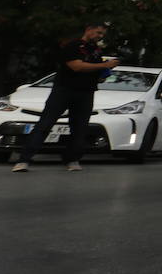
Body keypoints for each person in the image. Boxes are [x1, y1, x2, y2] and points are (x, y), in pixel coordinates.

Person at [11, 23, 118, 172]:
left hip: (86, 92)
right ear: (89, 30)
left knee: (79, 128)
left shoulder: (96, 51)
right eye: (98, 33)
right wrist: (104, 65)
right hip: (64, 90)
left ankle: (72, 159)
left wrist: (103, 72)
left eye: (102, 35)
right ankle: (24, 160)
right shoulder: (73, 46)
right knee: (45, 124)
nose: (100, 37)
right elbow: (77, 66)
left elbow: (96, 74)